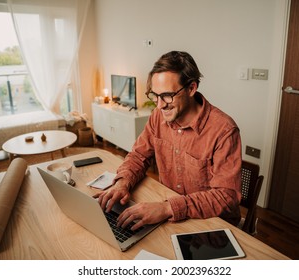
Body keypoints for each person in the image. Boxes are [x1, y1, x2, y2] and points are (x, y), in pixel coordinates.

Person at [95, 51, 242, 230]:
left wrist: (167, 208)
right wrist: (122, 183)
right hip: (170, 217)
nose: (159, 105)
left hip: (211, 224)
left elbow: (226, 196)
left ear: (191, 88)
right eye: (155, 95)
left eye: (167, 95)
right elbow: (138, 155)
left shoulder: (224, 130)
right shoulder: (158, 117)